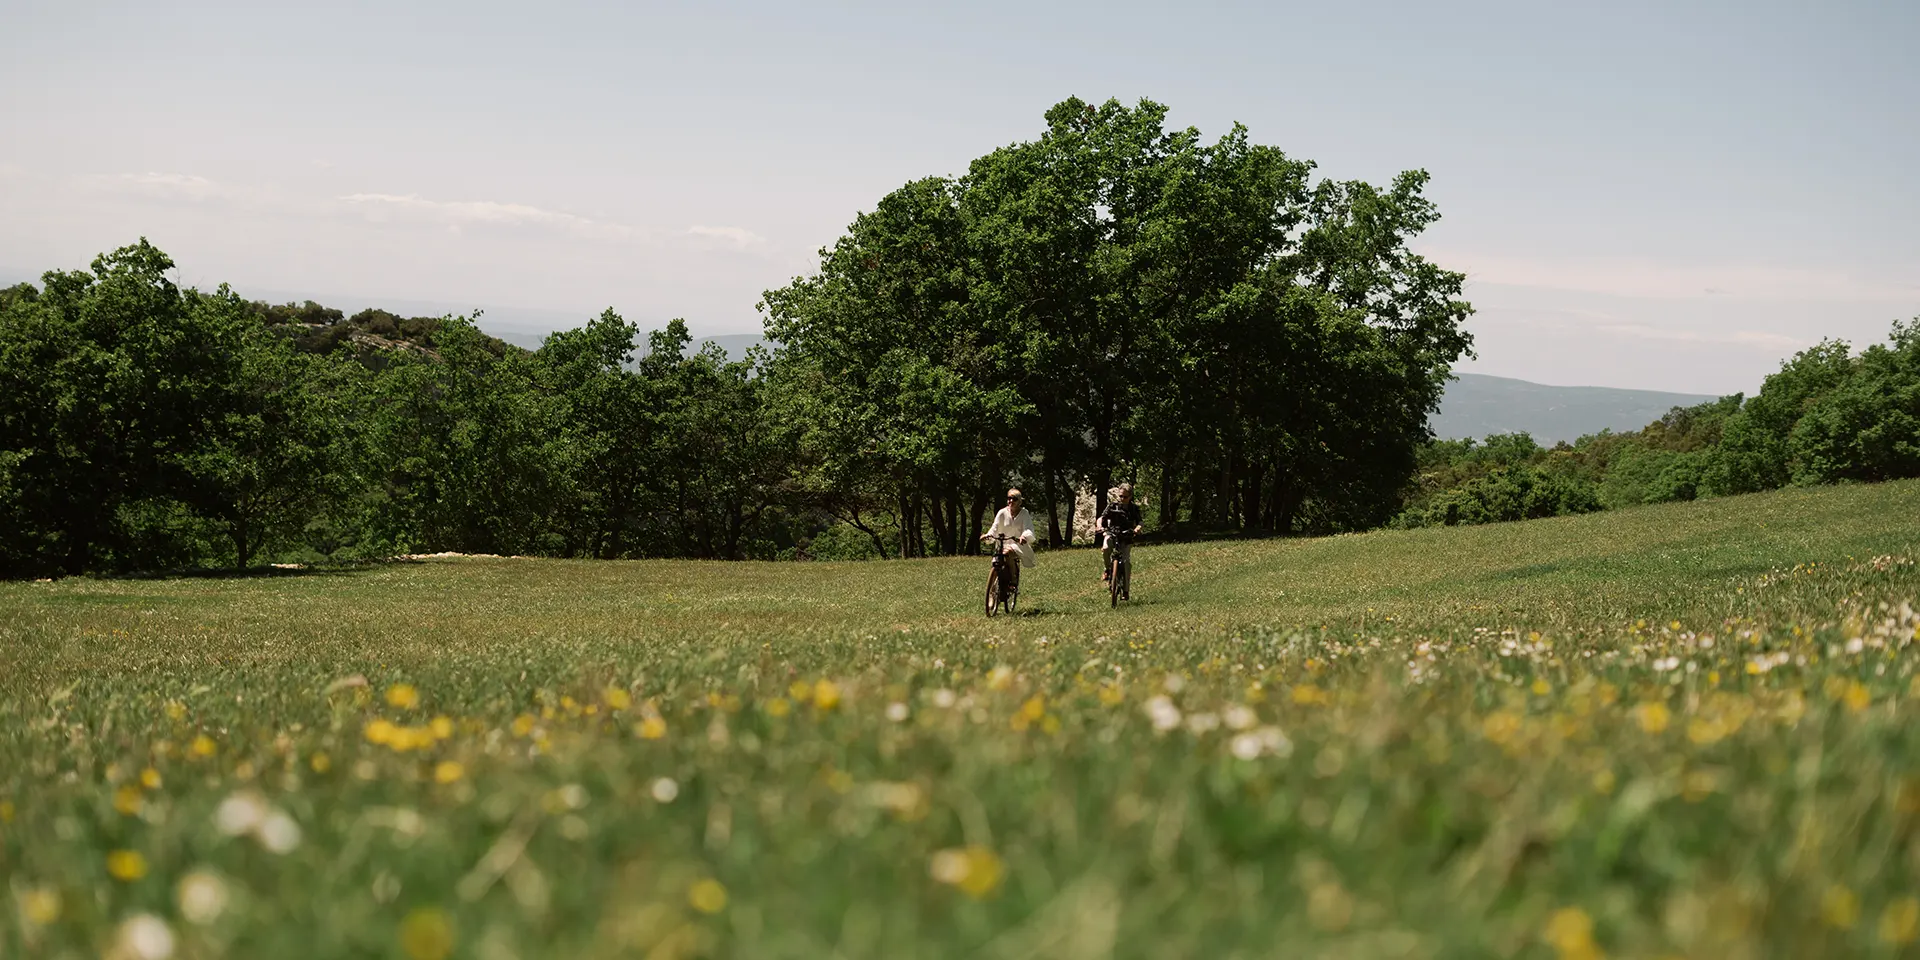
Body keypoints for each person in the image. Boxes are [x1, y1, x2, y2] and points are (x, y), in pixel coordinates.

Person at [981, 488, 1036, 593]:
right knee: (996, 562)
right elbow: (995, 528)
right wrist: (988, 536)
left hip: (1018, 545)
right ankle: (992, 591)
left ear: (1020, 501)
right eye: (1009, 498)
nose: (1011, 501)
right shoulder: (1002, 513)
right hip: (1003, 543)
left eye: (1014, 499)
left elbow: (1028, 528)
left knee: (1008, 553)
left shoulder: (1024, 513)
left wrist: (1024, 536)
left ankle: (1013, 582)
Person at [1097, 483, 1143, 583]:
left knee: (1126, 562)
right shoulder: (1113, 505)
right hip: (1112, 533)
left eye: (1125, 497)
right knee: (1105, 548)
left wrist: (1138, 528)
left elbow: (1140, 521)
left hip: (1127, 536)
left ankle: (1125, 590)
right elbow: (1102, 518)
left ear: (1130, 496)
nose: (1122, 499)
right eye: (1120, 496)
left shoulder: (1134, 508)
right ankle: (1107, 569)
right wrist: (1099, 526)